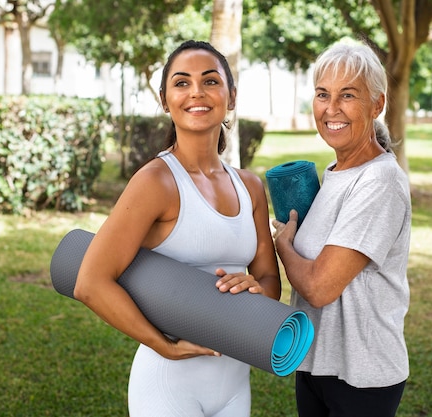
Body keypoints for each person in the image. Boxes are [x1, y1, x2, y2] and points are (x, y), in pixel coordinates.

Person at [74, 40, 281, 417]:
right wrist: (162, 346)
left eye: (211, 81)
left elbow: (269, 280)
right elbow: (90, 282)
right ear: (165, 99)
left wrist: (256, 288)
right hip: (168, 385)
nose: (196, 93)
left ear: (231, 97)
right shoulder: (156, 181)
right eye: (182, 83)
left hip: (234, 385)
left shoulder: (249, 186)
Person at [272, 41, 411, 417]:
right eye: (322, 94)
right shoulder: (334, 174)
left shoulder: (380, 181)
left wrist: (283, 245)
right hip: (317, 362)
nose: (331, 109)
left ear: (376, 104)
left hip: (362, 375)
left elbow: (319, 287)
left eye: (347, 95)